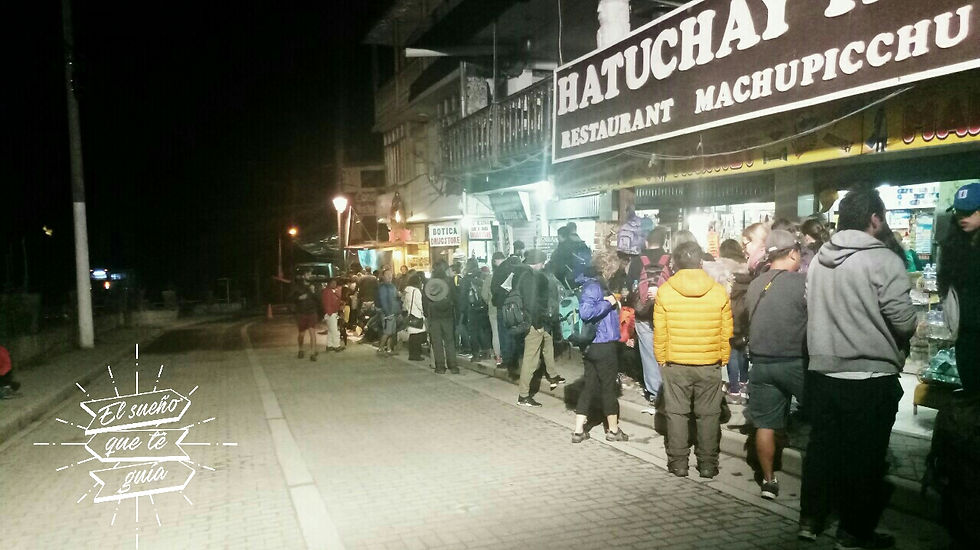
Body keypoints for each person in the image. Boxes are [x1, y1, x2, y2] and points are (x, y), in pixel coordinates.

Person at [800, 188, 916, 548]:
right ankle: (852, 531)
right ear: (875, 219)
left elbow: (809, 305)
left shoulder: (819, 260)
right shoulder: (884, 260)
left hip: (823, 372)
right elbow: (904, 321)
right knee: (864, 458)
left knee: (822, 449)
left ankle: (810, 519)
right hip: (869, 375)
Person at [654, 241, 732, 479]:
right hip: (709, 363)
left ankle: (678, 463)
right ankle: (707, 464)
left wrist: (661, 358)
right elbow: (726, 331)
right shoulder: (718, 291)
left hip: (676, 363)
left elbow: (660, 331)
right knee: (709, 415)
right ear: (700, 262)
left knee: (676, 414)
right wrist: (723, 358)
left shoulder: (665, 291)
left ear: (675, 263)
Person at [745, 230, 807, 501]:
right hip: (796, 363)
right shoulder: (802, 283)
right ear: (792, 253)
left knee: (765, 425)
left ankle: (769, 481)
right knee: (822, 419)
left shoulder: (755, 285)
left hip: (761, 364)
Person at [572, 253, 628, 442]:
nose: (615, 273)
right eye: (614, 269)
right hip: (602, 344)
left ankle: (578, 431)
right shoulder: (594, 286)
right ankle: (613, 430)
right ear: (608, 268)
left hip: (592, 345)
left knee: (589, 386)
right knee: (608, 387)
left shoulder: (594, 284)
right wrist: (609, 302)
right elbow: (586, 313)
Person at [516, 250, 565, 407]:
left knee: (547, 343)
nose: (543, 266)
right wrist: (538, 324)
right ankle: (523, 395)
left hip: (532, 321)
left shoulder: (522, 273)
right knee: (530, 359)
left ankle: (552, 375)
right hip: (534, 323)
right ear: (537, 263)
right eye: (542, 263)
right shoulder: (531, 277)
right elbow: (532, 304)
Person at [626, 227, 668, 404]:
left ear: (646, 242)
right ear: (664, 242)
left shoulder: (637, 261)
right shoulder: (670, 259)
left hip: (643, 313)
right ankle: (667, 387)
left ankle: (654, 392)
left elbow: (629, 286)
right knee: (665, 350)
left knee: (648, 353)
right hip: (665, 311)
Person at [729, 222, 770, 399]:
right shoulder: (757, 268)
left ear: (759, 242)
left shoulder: (764, 267)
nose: (744, 249)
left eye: (746, 244)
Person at [423, 260, 459, 374]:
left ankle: (440, 367)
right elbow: (456, 298)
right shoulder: (449, 282)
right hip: (447, 315)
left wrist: (427, 314)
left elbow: (425, 301)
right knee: (449, 341)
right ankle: (453, 366)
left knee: (436, 342)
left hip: (434, 316)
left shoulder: (429, 283)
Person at [461, 259, 492, 361]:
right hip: (484, 307)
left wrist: (463, 310)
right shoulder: (484, 275)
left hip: (472, 308)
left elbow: (463, 296)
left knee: (473, 332)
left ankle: (476, 354)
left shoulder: (466, 279)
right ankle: (486, 352)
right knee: (484, 330)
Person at [483, 252, 507, 366]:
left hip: (493, 308)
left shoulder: (490, 277)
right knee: (506, 333)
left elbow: (484, 294)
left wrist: (489, 301)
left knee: (496, 333)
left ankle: (498, 357)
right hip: (506, 308)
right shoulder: (508, 275)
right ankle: (507, 355)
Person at [290, 276, 320, 361]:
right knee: (301, 334)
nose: (310, 275)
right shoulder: (297, 286)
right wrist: (299, 298)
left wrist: (313, 292)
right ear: (303, 276)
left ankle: (312, 353)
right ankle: (301, 349)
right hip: (301, 313)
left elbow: (319, 299)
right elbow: (290, 298)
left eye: (310, 273)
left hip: (312, 312)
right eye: (308, 273)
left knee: (312, 333)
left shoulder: (315, 286)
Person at [402, 272, 427, 361]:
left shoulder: (407, 291)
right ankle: (416, 355)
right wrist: (424, 312)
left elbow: (404, 304)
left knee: (412, 336)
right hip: (417, 315)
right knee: (417, 337)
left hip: (410, 315)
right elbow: (419, 304)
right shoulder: (416, 291)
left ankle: (412, 354)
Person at [376, 268, 400, 356]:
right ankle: (380, 349)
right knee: (387, 332)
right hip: (388, 313)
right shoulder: (383, 287)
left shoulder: (392, 286)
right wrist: (387, 313)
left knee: (391, 332)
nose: (390, 276)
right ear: (383, 276)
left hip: (393, 312)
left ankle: (389, 349)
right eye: (387, 274)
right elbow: (384, 301)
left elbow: (395, 298)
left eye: (390, 274)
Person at [320, 279, 344, 352]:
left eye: (335, 283)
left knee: (331, 331)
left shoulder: (328, 291)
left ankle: (329, 345)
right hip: (331, 313)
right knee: (334, 331)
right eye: (333, 283)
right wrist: (330, 313)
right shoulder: (328, 292)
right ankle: (336, 346)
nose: (335, 285)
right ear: (329, 284)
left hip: (330, 313)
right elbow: (328, 303)